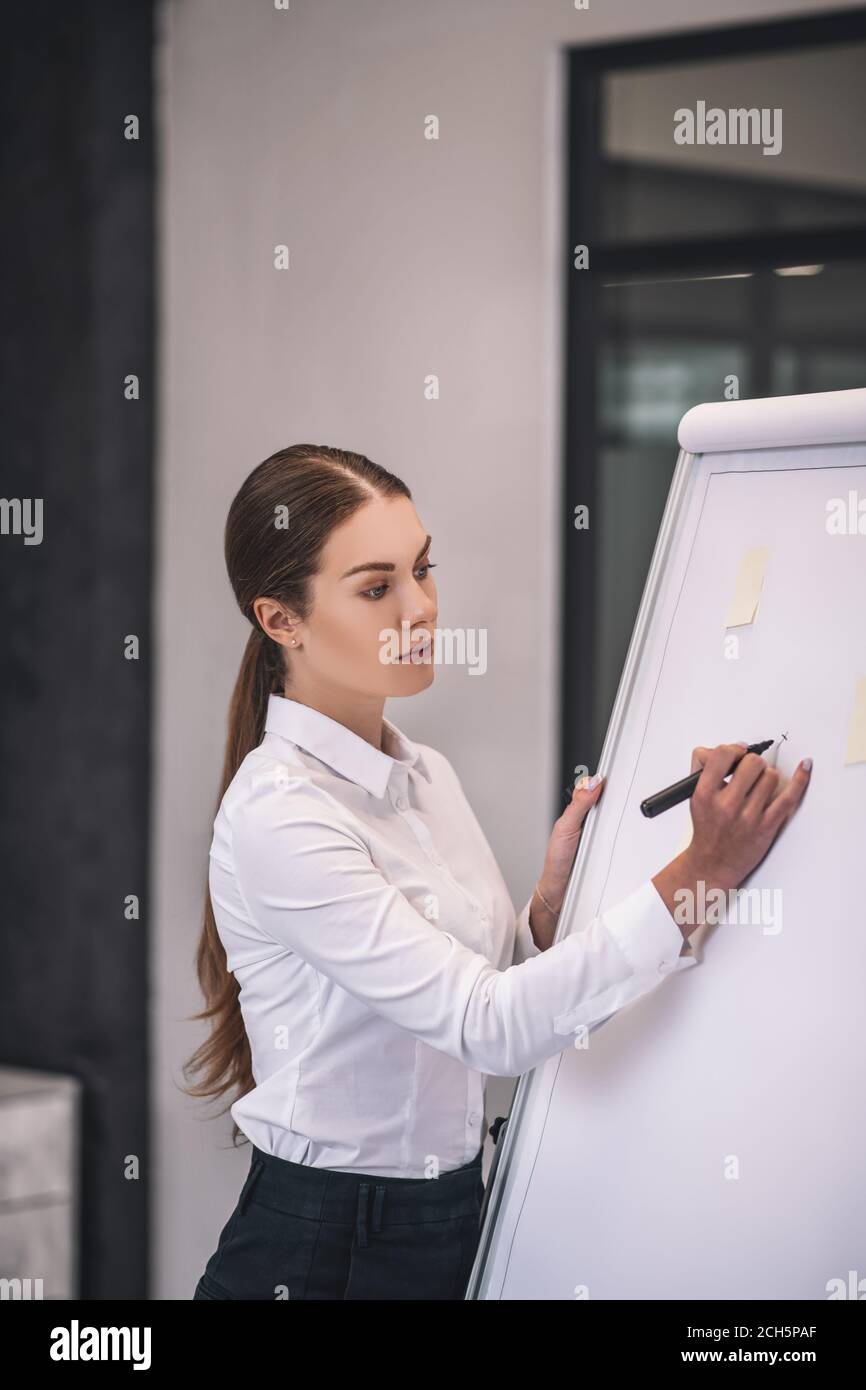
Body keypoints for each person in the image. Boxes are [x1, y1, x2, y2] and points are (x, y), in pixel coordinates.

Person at [184, 444, 811, 1300]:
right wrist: (700, 870)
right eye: (377, 588)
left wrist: (546, 906)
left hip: (449, 1216)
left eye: (423, 569)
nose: (422, 608)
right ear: (280, 619)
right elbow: (488, 1027)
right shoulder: (280, 814)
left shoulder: (426, 773)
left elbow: (480, 989)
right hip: (324, 1249)